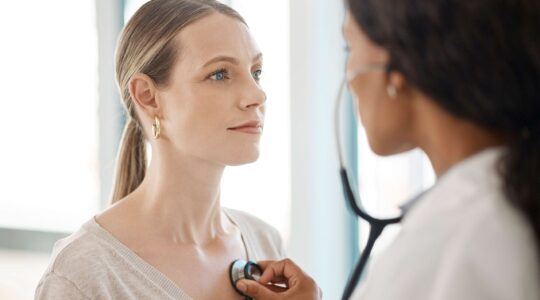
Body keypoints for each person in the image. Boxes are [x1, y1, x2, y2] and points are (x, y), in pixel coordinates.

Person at [236, 0, 540, 299]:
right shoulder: (492, 209)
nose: (350, 77)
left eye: (350, 48)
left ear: (397, 67)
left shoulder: (455, 238)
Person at [35, 0, 284, 299]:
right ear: (148, 97)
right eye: (219, 74)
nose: (257, 95)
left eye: (256, 72)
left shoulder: (265, 243)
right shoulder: (82, 277)